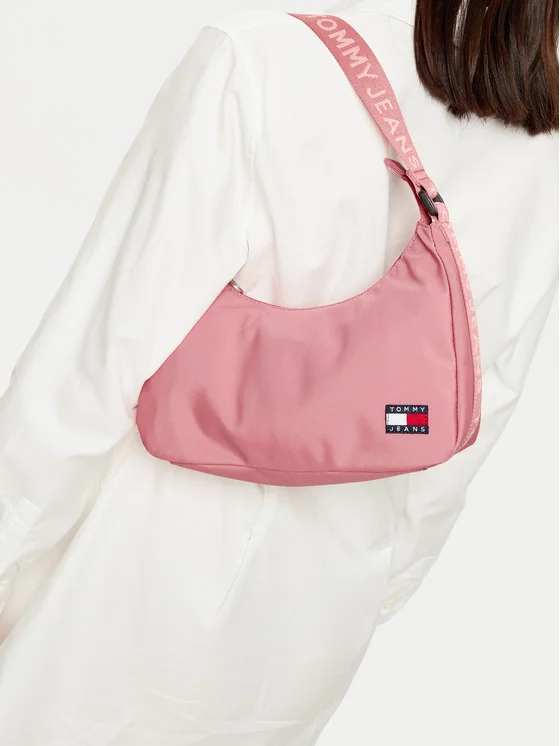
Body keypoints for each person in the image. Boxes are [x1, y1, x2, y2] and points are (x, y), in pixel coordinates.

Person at [0, 0, 557, 743]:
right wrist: (377, 587)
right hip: (315, 617)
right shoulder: (538, 135)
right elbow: (475, 412)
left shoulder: (259, 60)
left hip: (118, 579)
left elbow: (93, 361)